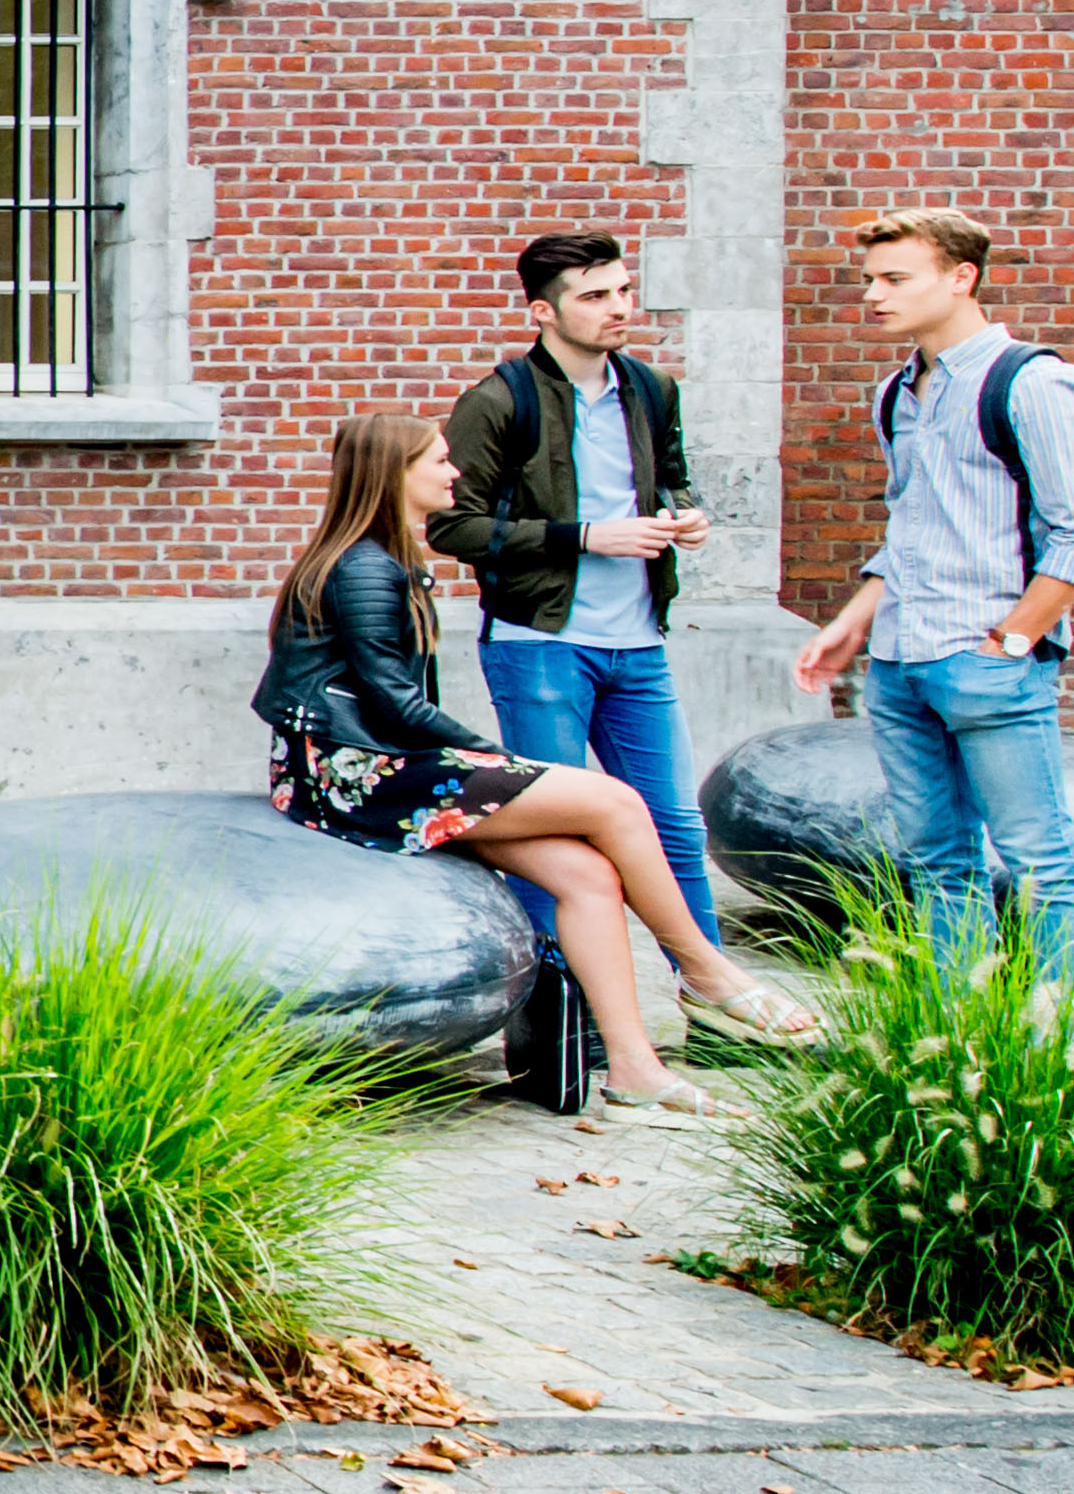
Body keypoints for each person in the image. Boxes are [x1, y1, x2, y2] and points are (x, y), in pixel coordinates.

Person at [259, 416, 797, 1104]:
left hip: (378, 766)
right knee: (616, 802)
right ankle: (704, 972)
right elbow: (391, 706)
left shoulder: (379, 558)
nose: (453, 474)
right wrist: (495, 758)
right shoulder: (363, 567)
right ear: (394, 474)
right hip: (352, 778)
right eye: (439, 461)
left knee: (588, 875)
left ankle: (634, 1070)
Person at [786, 208, 1074, 979]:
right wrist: (849, 624)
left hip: (986, 663)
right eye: (868, 279)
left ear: (960, 277)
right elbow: (912, 528)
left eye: (895, 279)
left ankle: (1058, 1046)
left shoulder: (1032, 383)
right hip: (898, 662)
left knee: (1040, 861)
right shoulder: (897, 392)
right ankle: (958, 1027)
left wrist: (1008, 642)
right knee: (936, 865)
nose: (873, 295)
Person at [434, 229, 737, 961]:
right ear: (541, 311)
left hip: (637, 643)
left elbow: (669, 475)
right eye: (595, 296)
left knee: (673, 825)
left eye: (623, 291)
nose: (618, 308)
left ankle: (715, 1005)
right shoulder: (498, 400)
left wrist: (682, 513)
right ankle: (563, 1028)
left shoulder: (649, 388)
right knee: (550, 834)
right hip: (539, 647)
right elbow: (450, 526)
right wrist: (581, 537)